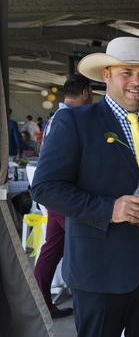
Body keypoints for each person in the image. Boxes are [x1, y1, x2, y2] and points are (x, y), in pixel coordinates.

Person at [32, 36, 139, 337]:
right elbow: (46, 187)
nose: (137, 82)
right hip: (101, 266)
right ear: (106, 75)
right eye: (127, 72)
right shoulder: (76, 122)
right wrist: (110, 208)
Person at [33, 74, 92, 319]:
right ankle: (84, 309)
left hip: (57, 195)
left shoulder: (56, 117)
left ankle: (40, 304)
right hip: (66, 195)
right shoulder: (69, 118)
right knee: (82, 249)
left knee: (53, 249)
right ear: (86, 92)